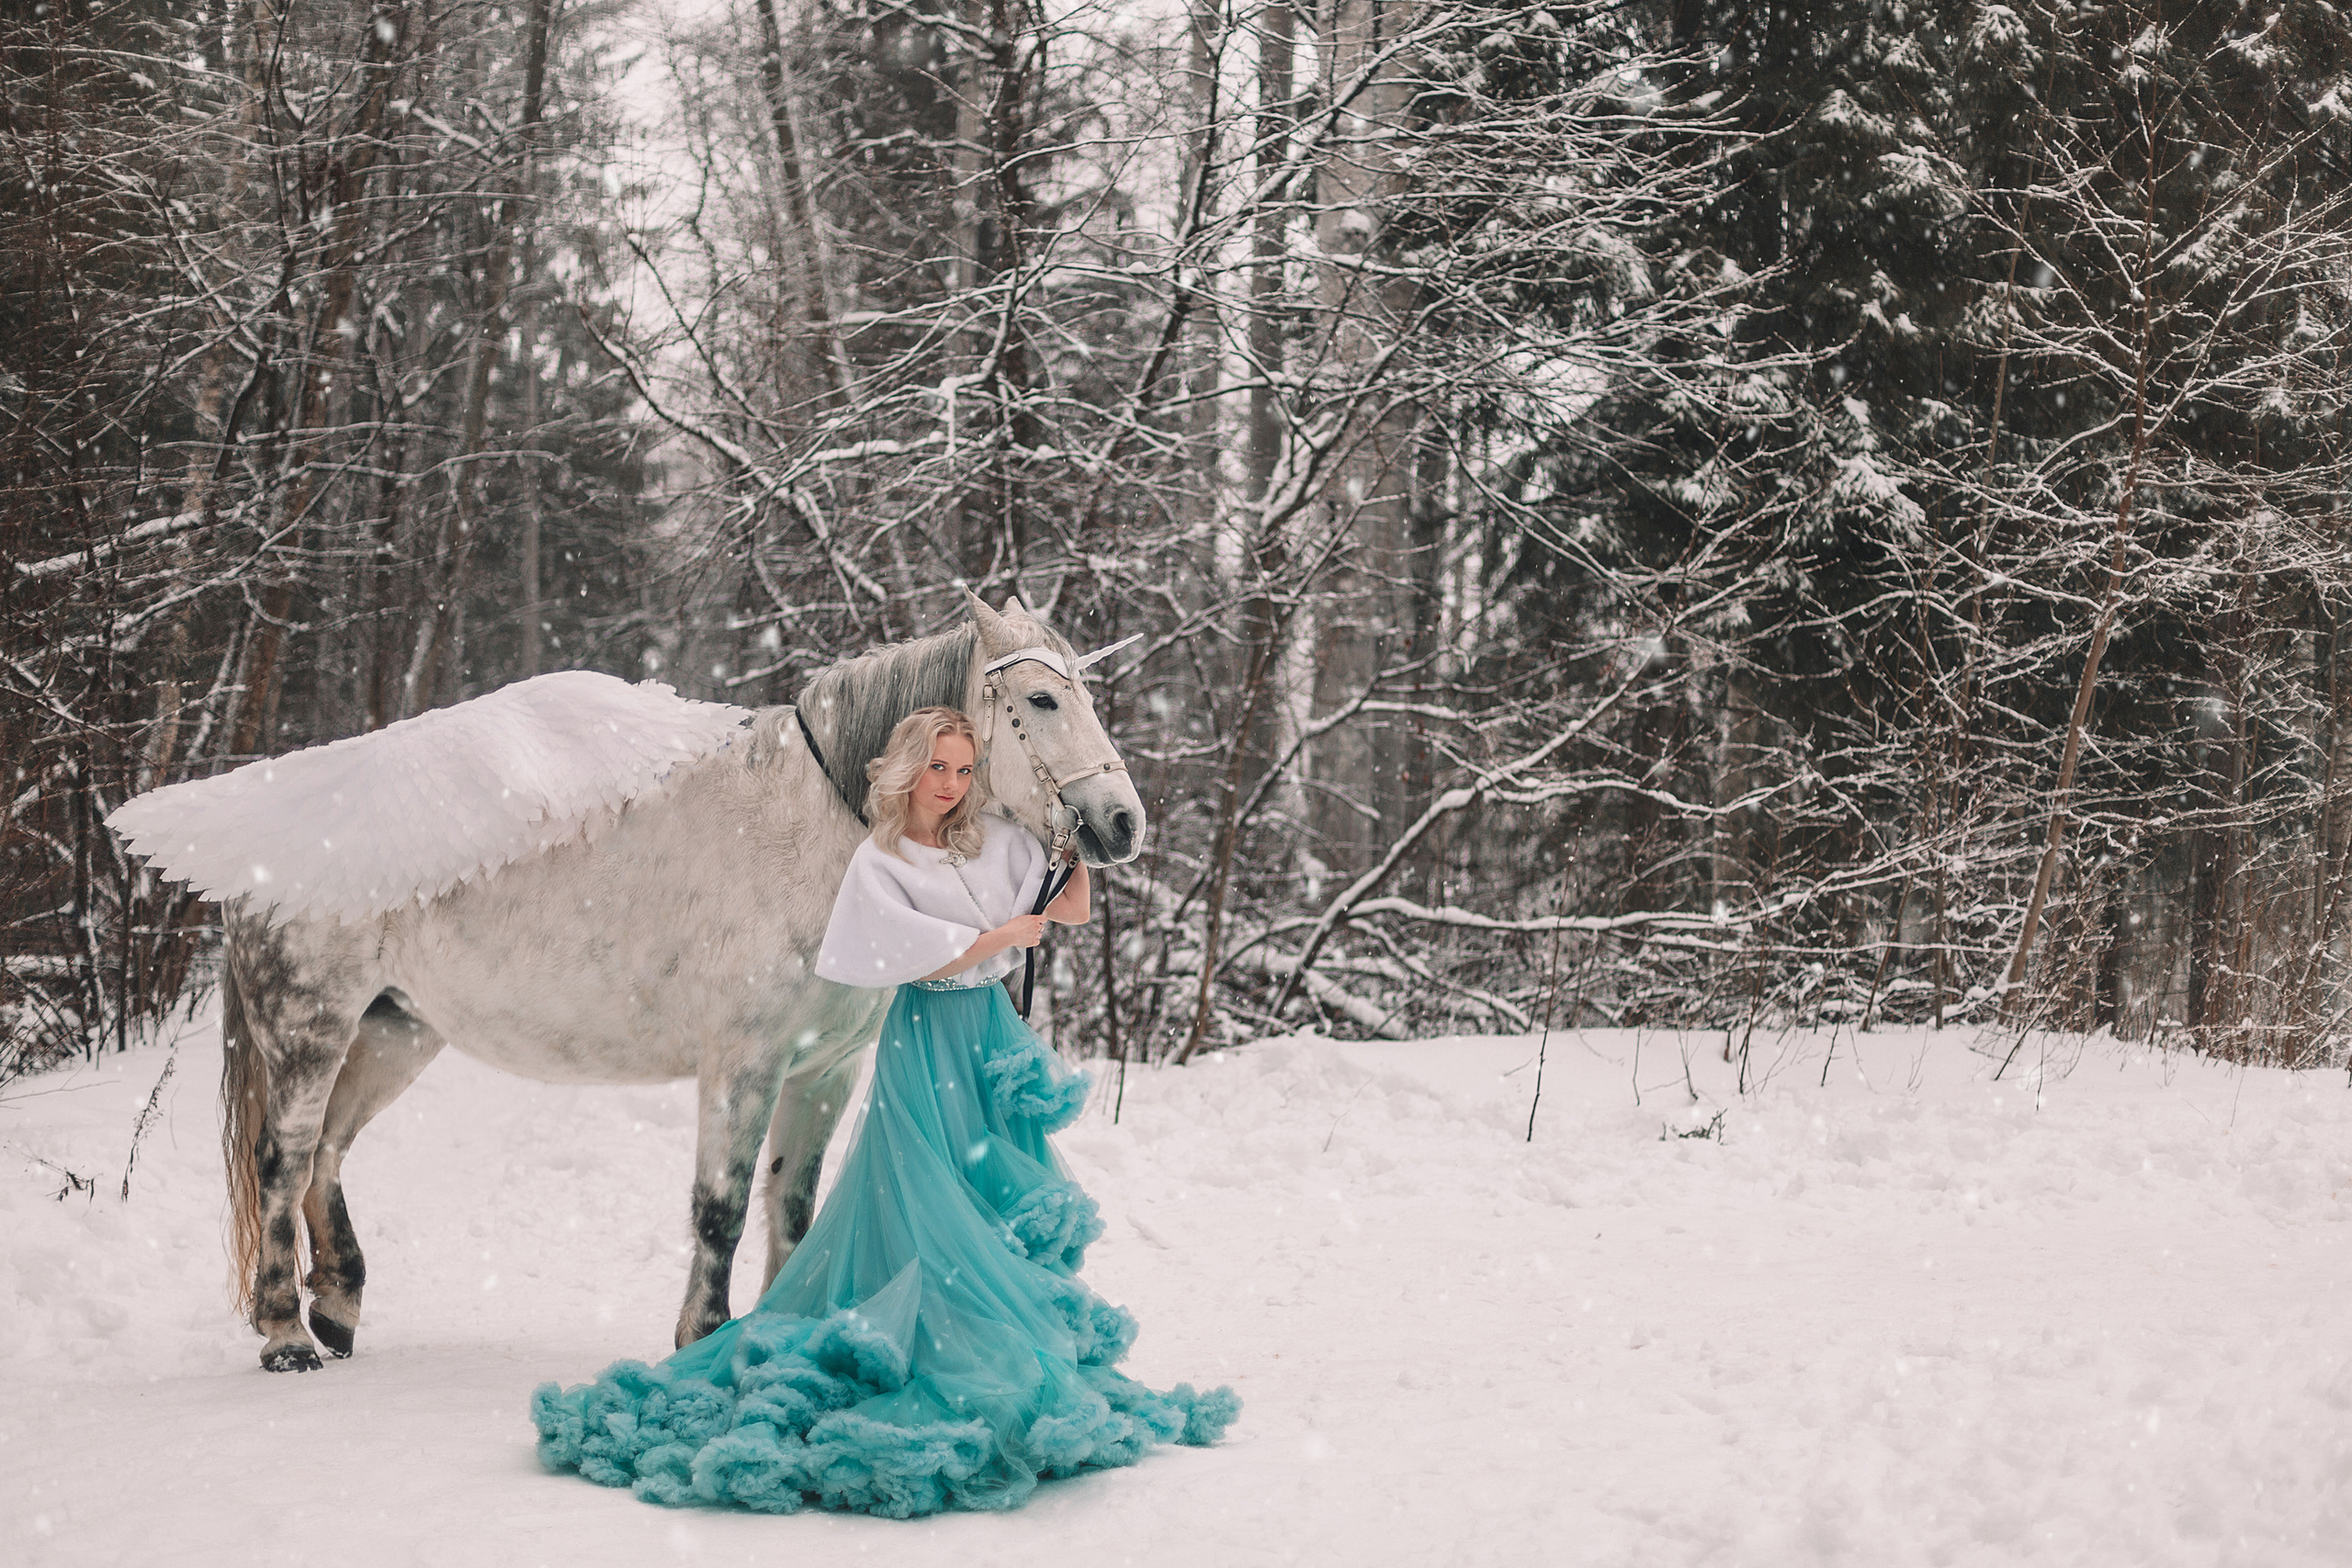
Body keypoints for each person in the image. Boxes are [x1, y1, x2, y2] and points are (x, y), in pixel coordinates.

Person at [532, 706, 1238, 1517]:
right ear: (908, 770)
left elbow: (1068, 909)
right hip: (927, 1031)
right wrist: (1000, 934)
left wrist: (1066, 854)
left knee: (988, 1192)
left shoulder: (993, 840)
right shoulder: (881, 859)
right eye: (938, 768)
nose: (952, 784)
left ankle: (987, 1337)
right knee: (926, 1190)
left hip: (991, 1034)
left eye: (964, 770)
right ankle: (926, 1342)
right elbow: (908, 958)